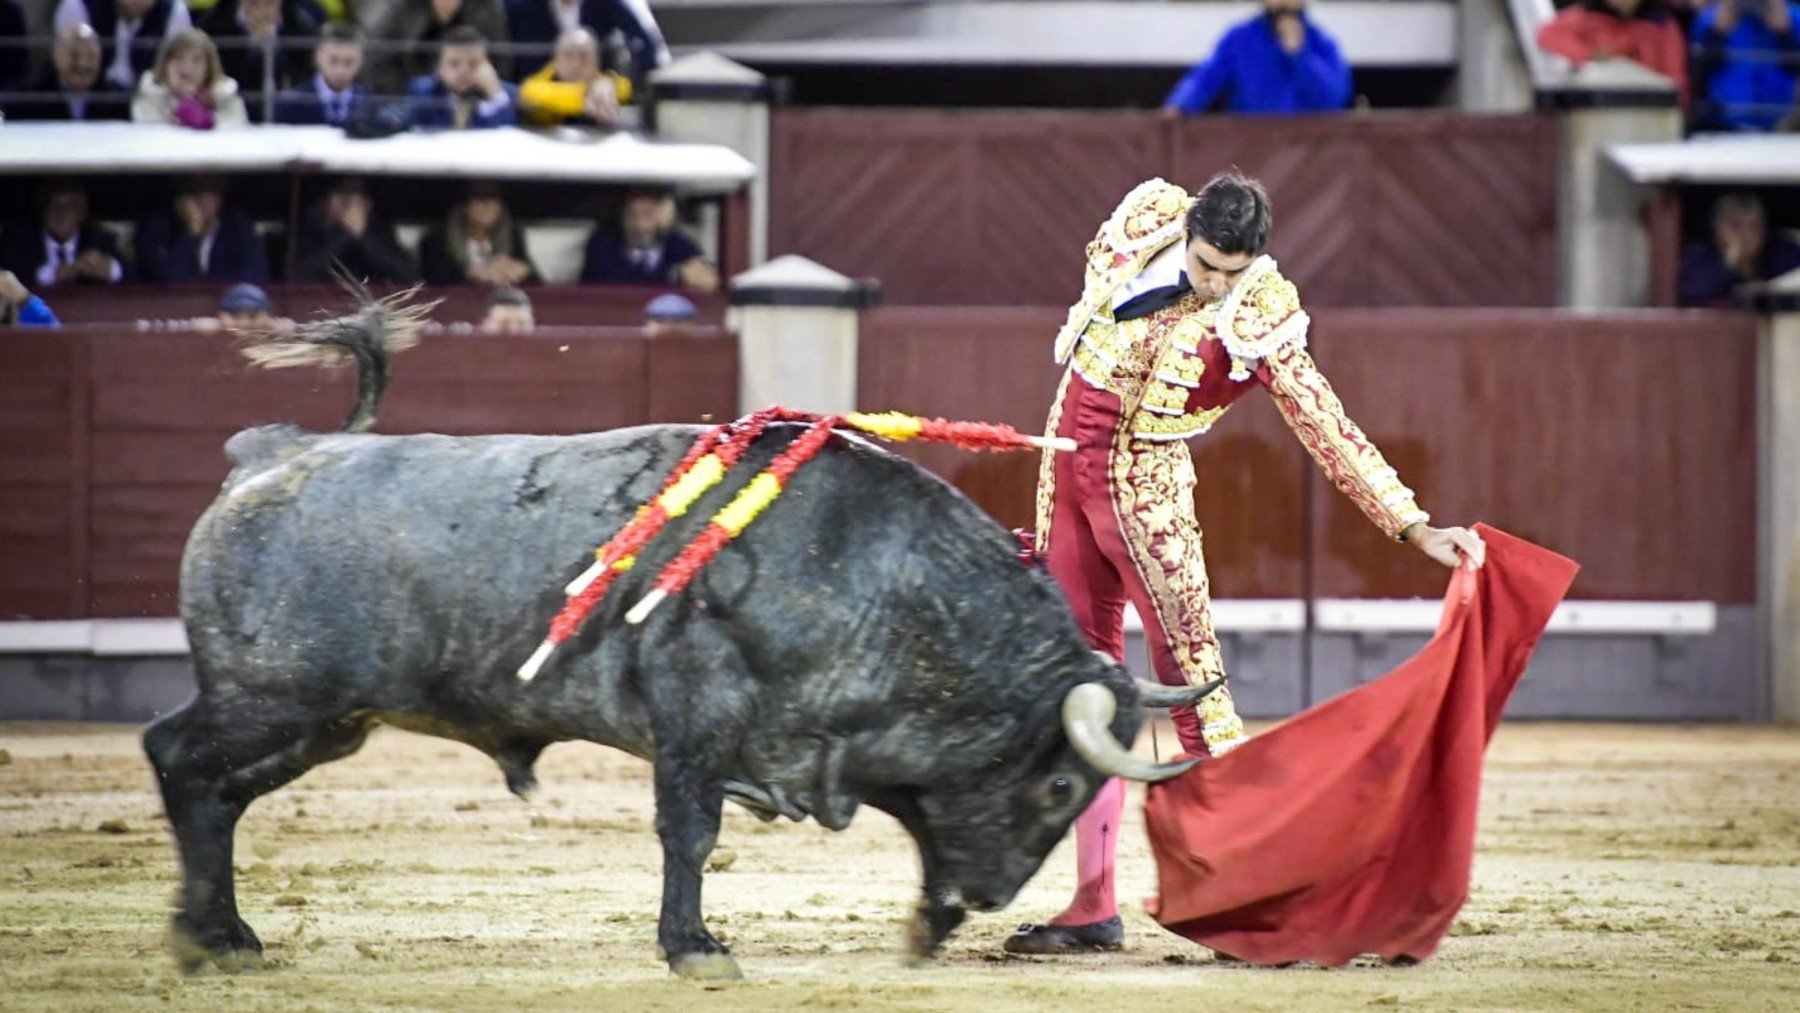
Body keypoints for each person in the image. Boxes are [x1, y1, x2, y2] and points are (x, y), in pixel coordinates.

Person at [1004, 173, 1484, 955]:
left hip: (1148, 500)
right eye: (1206, 266)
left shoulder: (1259, 311)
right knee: (1079, 688)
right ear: (1187, 231)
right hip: (1064, 477)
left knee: (1196, 694)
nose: (1217, 284)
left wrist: (1412, 524)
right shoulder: (1147, 217)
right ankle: (1093, 901)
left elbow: (1325, 422)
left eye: (1234, 270)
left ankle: (1241, 899)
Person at [1162, 0, 1351, 116]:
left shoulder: (1322, 43)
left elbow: (1334, 99)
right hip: (1253, 151)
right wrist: (1180, 105)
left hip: (1306, 156)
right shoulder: (1240, 38)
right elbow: (1205, 79)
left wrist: (1300, 56)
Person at [1536, 0, 1689, 105]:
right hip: (1601, 107)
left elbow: (1675, 79)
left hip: (1650, 108)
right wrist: (1588, 55)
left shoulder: (1661, 25)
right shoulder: (1588, 16)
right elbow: (1549, 34)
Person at [506, 0, 667, 95]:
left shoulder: (606, 3)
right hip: (536, 104)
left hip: (598, 98)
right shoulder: (518, 6)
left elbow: (643, 43)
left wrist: (638, 91)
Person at [132, 175, 270, 285]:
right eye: (193, 190)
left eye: (210, 189)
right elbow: (167, 282)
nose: (202, 199)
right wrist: (192, 233)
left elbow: (253, 279)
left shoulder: (238, 226)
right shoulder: (156, 227)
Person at [580, 189, 719, 291]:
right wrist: (674, 276)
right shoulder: (602, 242)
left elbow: (707, 280)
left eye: (653, 199)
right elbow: (617, 283)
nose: (640, 204)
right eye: (634, 198)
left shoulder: (677, 242)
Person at [198, 0, 321, 115]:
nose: (261, 11)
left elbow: (303, 78)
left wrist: (270, 49)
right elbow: (213, 74)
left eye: (269, 3)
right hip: (227, 107)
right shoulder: (214, 22)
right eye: (254, 2)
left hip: (283, 110)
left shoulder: (301, 26)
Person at [1693, 0, 1800, 131]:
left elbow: (1794, 70)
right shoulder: (1708, 19)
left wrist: (1785, 33)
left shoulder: (1794, 18)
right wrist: (1716, 34)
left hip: (1780, 125)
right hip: (1722, 125)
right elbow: (1696, 79)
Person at [293, 176, 419, 284]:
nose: (348, 202)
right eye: (341, 193)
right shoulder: (310, 231)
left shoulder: (379, 232)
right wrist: (346, 235)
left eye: (355, 194)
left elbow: (408, 276)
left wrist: (362, 238)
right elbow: (298, 274)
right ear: (324, 202)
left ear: (368, 204)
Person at [0, 181, 128, 287]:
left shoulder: (99, 239)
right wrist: (60, 273)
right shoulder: (18, 240)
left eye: (70, 206)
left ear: (82, 213)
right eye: (54, 205)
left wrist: (110, 269)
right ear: (42, 210)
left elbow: (137, 273)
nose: (61, 213)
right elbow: (10, 276)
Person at [1680, 192, 1800, 304]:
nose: (1747, 235)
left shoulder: (1781, 255)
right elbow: (1695, 296)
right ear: (1716, 229)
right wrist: (1730, 266)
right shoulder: (1697, 262)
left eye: (1754, 226)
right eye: (1735, 226)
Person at [368, 0, 509, 94]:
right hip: (413, 103)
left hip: (475, 102)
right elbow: (379, 60)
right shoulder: (402, 7)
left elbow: (501, 61)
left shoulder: (485, 8)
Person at [3, 23, 133, 121]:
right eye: (73, 55)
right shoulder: (25, 99)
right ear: (55, 55)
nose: (83, 63)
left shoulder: (119, 101)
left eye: (91, 56)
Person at [418, 181, 539, 286]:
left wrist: (522, 271)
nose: (487, 205)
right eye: (479, 197)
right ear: (464, 204)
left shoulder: (513, 236)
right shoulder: (436, 240)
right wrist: (473, 277)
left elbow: (538, 285)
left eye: (493, 197)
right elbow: (434, 286)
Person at [54, 0, 192, 91]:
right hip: (93, 108)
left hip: (149, 108)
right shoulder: (78, 6)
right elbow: (66, 71)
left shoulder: (175, 12)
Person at [131, 28, 250, 128]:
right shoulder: (150, 95)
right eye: (179, 58)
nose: (187, 68)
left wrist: (208, 120)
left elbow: (235, 133)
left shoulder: (226, 97)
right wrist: (179, 103)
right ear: (165, 64)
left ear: (208, 67)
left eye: (196, 60)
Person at [407, 25, 517, 129]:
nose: (464, 71)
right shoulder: (423, 92)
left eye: (474, 63)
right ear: (439, 67)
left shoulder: (510, 97)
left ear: (489, 65)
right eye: (454, 64)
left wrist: (496, 96)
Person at [518, 26, 629, 128]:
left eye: (584, 57)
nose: (575, 64)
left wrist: (610, 86)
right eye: (568, 55)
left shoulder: (605, 82)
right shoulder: (534, 86)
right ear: (556, 60)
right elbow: (530, 94)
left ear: (596, 63)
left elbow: (625, 87)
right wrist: (587, 97)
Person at [272, 23, 368, 127]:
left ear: (361, 61)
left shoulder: (371, 104)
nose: (340, 70)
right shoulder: (290, 104)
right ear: (318, 56)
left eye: (349, 62)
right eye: (333, 60)